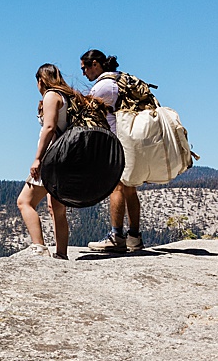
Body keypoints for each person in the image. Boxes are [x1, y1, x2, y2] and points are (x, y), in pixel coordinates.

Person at [17, 63, 91, 259]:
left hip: (52, 156)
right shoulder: (66, 96)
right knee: (56, 208)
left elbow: (49, 128)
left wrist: (37, 159)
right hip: (67, 156)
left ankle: (39, 247)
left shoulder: (51, 96)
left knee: (24, 202)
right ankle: (61, 254)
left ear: (41, 80)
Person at [78, 50, 143, 252]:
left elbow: (86, 111)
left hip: (116, 141)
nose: (84, 74)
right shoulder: (121, 79)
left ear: (95, 64)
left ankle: (116, 236)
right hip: (132, 141)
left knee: (116, 187)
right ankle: (134, 237)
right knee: (130, 188)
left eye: (85, 68)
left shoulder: (104, 86)